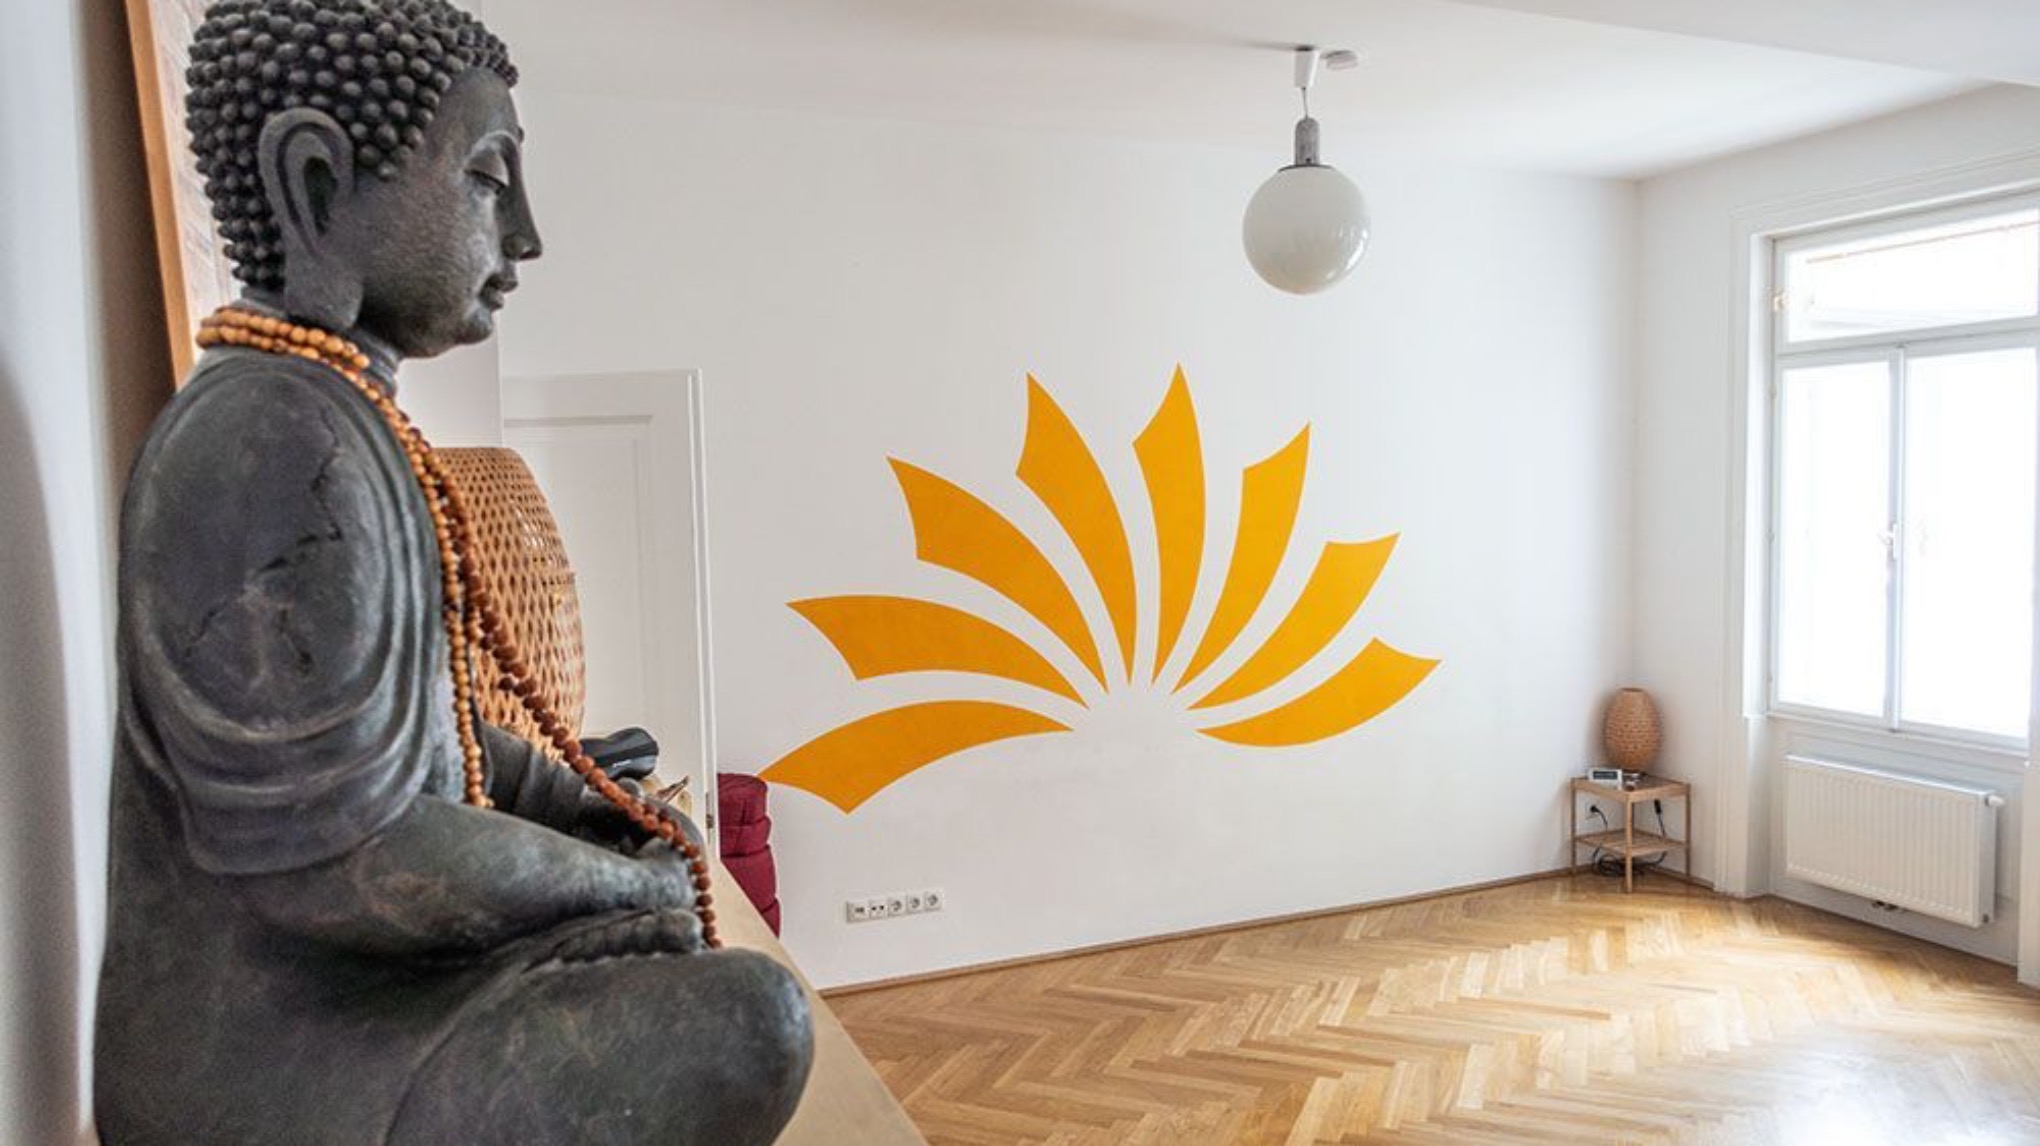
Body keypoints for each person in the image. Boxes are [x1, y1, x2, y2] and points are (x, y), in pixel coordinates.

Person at [94, 2, 811, 1141]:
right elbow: (342, 857)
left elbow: (434, 732)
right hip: (277, 1064)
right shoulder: (263, 437)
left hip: (360, 993)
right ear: (316, 185)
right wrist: (624, 882)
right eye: (487, 179)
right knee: (755, 1017)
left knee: (676, 928)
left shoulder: (335, 414)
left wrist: (578, 799)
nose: (524, 236)